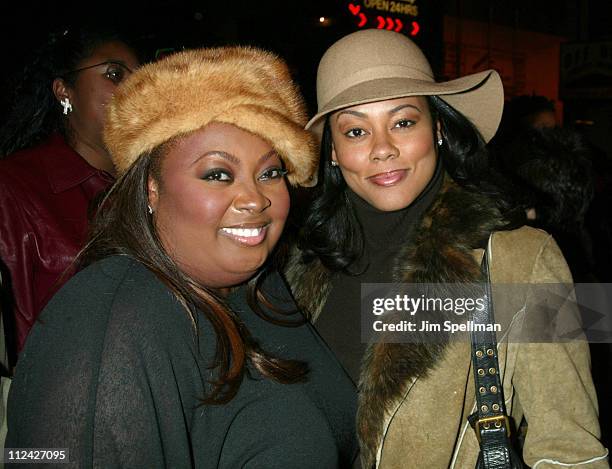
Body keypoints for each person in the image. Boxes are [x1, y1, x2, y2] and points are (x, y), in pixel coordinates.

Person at [6, 46, 358, 468]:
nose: (255, 199)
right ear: (152, 190)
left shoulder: (262, 285)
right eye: (217, 174)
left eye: (270, 172)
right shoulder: (109, 322)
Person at [284, 29, 609, 468]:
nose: (383, 149)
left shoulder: (525, 258)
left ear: (437, 127)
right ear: (334, 153)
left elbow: (574, 449)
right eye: (356, 130)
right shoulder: (300, 261)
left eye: (403, 122)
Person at [0, 25, 141, 358]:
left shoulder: (158, 186)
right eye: (115, 74)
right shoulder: (15, 187)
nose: (135, 91)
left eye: (141, 80)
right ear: (64, 91)